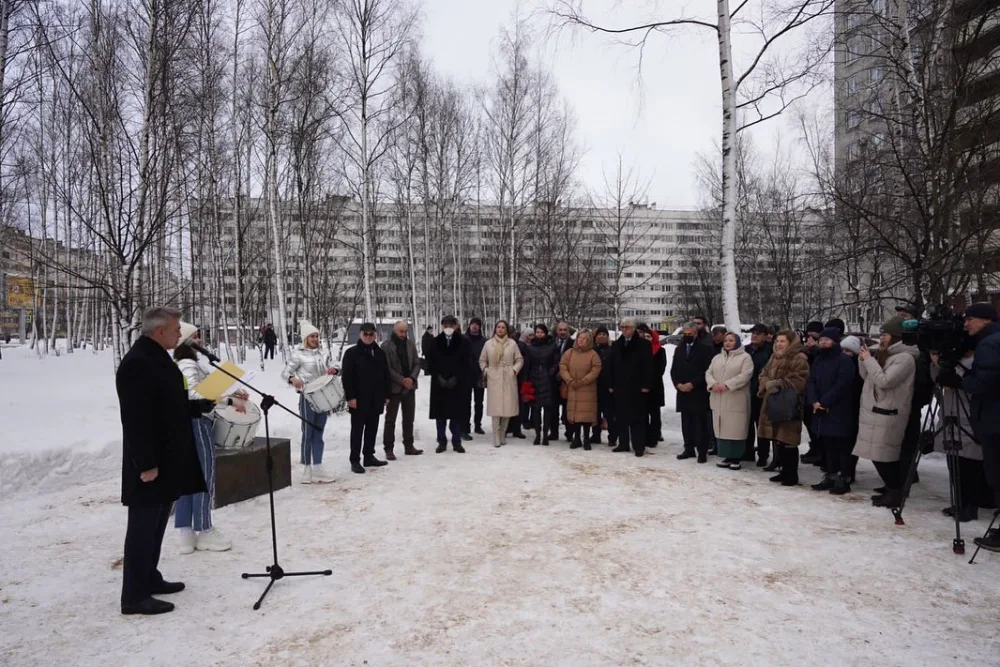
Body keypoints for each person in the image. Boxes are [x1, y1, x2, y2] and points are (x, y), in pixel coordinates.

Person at [117, 306, 214, 615]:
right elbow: (136, 420)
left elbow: (169, 406)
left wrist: (201, 407)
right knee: (142, 528)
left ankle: (149, 577)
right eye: (175, 330)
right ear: (159, 332)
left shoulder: (158, 358)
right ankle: (133, 596)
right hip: (150, 463)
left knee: (157, 524)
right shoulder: (138, 364)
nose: (179, 334)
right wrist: (145, 463)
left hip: (167, 459)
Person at [173, 322, 248, 554]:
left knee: (188, 476)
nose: (200, 341)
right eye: (195, 337)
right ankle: (204, 529)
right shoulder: (186, 363)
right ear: (185, 341)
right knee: (205, 474)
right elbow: (193, 393)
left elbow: (201, 389)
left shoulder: (188, 363)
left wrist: (230, 393)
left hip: (190, 422)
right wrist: (228, 401)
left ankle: (186, 532)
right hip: (198, 422)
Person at [855, 316, 918, 507]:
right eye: (881, 335)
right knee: (878, 454)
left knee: (884, 455)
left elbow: (885, 381)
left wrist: (869, 361)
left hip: (888, 412)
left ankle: (895, 492)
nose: (881, 338)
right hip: (874, 412)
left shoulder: (905, 358)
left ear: (897, 336)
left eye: (885, 335)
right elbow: (868, 377)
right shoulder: (887, 355)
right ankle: (891, 488)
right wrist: (863, 360)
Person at [957, 303, 1000, 552]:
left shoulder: (990, 344)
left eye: (969, 319)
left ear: (984, 320)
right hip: (993, 416)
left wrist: (964, 378)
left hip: (994, 419)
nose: (965, 324)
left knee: (996, 474)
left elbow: (983, 382)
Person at [281, 320, 340, 484]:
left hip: (322, 399)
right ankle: (307, 469)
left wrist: (334, 369)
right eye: (312, 336)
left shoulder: (320, 353)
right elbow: (285, 373)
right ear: (306, 338)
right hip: (307, 398)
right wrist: (293, 379)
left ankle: (318, 467)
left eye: (317, 336)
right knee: (308, 434)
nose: (316, 338)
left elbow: (333, 365)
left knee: (319, 434)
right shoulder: (298, 354)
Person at [931, 344, 983, 522]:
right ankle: (960, 502)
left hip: (968, 418)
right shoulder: (952, 363)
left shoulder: (975, 362)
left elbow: (975, 387)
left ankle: (970, 506)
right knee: (953, 463)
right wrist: (937, 365)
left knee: (970, 465)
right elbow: (938, 384)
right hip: (950, 414)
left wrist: (956, 377)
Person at [806, 328, 860, 494]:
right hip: (821, 410)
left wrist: (825, 401)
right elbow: (812, 381)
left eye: (827, 340)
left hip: (838, 409)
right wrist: (814, 401)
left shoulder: (843, 360)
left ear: (835, 342)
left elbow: (842, 384)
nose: (823, 342)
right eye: (821, 340)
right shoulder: (819, 360)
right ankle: (830, 475)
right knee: (827, 444)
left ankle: (843, 478)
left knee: (841, 445)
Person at [757, 330, 810, 486]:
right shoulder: (774, 357)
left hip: (788, 404)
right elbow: (763, 373)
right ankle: (783, 471)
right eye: (777, 341)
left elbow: (800, 380)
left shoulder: (799, 358)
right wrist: (766, 384)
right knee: (778, 439)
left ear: (791, 343)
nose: (779, 344)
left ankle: (791, 475)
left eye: (782, 341)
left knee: (788, 440)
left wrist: (776, 384)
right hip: (773, 403)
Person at [341, 322, 391, 474]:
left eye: (371, 334)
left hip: (376, 398)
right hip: (358, 399)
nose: (368, 337)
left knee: (372, 428)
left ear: (375, 335)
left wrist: (386, 395)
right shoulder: (351, 353)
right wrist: (350, 397)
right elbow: (347, 377)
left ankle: (368, 456)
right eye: (365, 334)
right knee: (357, 430)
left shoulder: (380, 353)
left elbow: (385, 375)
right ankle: (354, 460)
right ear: (361, 334)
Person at [706, 332, 754, 470]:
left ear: (737, 342)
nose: (727, 343)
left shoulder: (745, 358)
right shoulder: (717, 358)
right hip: (719, 398)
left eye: (731, 340)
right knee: (723, 429)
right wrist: (713, 384)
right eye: (726, 340)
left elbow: (745, 375)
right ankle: (726, 455)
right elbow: (708, 372)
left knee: (736, 429)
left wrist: (727, 385)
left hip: (735, 398)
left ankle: (736, 457)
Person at [608, 317, 654, 457]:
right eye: (622, 327)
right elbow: (610, 366)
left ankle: (638, 445)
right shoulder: (616, 345)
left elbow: (649, 366)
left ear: (633, 328)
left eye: (626, 327)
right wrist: (611, 384)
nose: (624, 330)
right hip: (620, 387)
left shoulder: (643, 344)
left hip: (637, 387)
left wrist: (646, 384)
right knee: (621, 417)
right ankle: (623, 443)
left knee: (637, 418)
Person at [672, 321, 714, 463]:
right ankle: (688, 448)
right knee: (686, 422)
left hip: (698, 392)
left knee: (699, 423)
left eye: (690, 334)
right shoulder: (679, 349)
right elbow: (674, 369)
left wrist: (693, 384)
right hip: (682, 391)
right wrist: (678, 384)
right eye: (685, 334)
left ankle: (702, 451)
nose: (687, 336)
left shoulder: (705, 349)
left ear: (696, 334)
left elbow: (706, 371)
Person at [428, 315, 469, 454]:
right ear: (442, 326)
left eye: (451, 325)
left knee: (456, 414)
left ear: (456, 325)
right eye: (445, 325)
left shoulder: (463, 341)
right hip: (439, 384)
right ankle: (441, 441)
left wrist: (457, 377)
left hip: (457, 384)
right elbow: (430, 361)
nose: (448, 327)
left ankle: (457, 442)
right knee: (440, 415)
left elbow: (467, 362)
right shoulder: (435, 341)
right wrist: (438, 376)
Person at [381, 320, 422, 460]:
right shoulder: (386, 346)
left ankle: (409, 446)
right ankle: (389, 448)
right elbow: (386, 368)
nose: (404, 334)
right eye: (401, 331)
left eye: (405, 331)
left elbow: (417, 363)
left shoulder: (410, 344)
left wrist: (412, 378)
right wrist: (402, 380)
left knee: (409, 418)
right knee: (390, 419)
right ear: (395, 331)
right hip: (394, 388)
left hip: (410, 387)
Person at [479, 320, 524, 447]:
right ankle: (496, 435)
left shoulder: (512, 343)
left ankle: (503, 432)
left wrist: (514, 370)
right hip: (494, 377)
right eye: (498, 327)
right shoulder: (488, 344)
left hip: (509, 376)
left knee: (508, 407)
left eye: (503, 327)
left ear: (506, 330)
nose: (500, 329)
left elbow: (519, 359)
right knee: (496, 408)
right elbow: (482, 361)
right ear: (495, 329)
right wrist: (487, 371)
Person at [559, 329, 602, 450]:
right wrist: (569, 380)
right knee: (575, 415)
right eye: (579, 338)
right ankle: (576, 438)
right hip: (573, 387)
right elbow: (563, 366)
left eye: (584, 338)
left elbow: (596, 369)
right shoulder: (569, 353)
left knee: (586, 415)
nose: (581, 340)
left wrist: (583, 381)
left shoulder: (593, 354)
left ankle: (587, 439)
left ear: (588, 341)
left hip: (587, 388)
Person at [742, 324, 773, 466]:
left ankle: (763, 454)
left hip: (762, 393)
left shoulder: (770, 350)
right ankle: (748, 452)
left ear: (766, 335)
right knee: (746, 424)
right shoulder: (746, 350)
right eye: (753, 333)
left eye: (758, 333)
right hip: (746, 391)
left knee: (761, 425)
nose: (754, 335)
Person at [525, 323, 560, 446]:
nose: (539, 334)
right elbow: (527, 365)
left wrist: (550, 373)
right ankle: (537, 434)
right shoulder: (530, 347)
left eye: (542, 332)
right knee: (535, 409)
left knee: (547, 409)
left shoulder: (552, 346)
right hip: (534, 380)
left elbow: (557, 362)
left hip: (548, 381)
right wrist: (527, 381)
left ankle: (545, 434)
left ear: (546, 333)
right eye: (537, 332)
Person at [638, 324, 667, 446]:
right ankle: (644, 435)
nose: (646, 339)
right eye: (644, 336)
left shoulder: (660, 351)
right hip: (641, 387)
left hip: (655, 387)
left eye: (649, 337)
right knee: (643, 413)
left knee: (655, 413)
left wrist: (649, 381)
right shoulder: (639, 351)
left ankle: (655, 436)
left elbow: (660, 369)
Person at [590, 326, 617, 447]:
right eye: (599, 334)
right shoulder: (592, 351)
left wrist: (613, 385)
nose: (601, 336)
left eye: (604, 334)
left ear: (607, 337)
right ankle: (596, 435)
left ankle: (612, 437)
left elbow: (617, 368)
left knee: (609, 414)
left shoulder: (612, 350)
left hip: (608, 387)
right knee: (595, 413)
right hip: (594, 386)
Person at [507, 327, 533, 440]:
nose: (510, 335)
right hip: (505, 379)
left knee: (518, 405)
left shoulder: (521, 346)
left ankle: (516, 429)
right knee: (506, 404)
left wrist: (525, 378)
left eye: (511, 333)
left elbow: (526, 363)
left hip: (519, 378)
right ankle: (506, 427)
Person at [465, 317, 488, 436]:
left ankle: (478, 425)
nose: (474, 326)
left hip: (479, 375)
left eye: (477, 324)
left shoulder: (484, 341)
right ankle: (466, 425)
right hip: (466, 375)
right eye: (472, 324)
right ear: (469, 325)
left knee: (479, 402)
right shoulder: (463, 339)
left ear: (480, 327)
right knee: (466, 402)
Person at [553, 320, 573, 441]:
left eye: (565, 330)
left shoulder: (573, 344)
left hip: (567, 380)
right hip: (553, 379)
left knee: (567, 408)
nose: (562, 332)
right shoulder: (551, 343)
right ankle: (554, 432)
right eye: (560, 330)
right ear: (556, 331)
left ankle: (569, 433)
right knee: (553, 408)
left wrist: (564, 374)